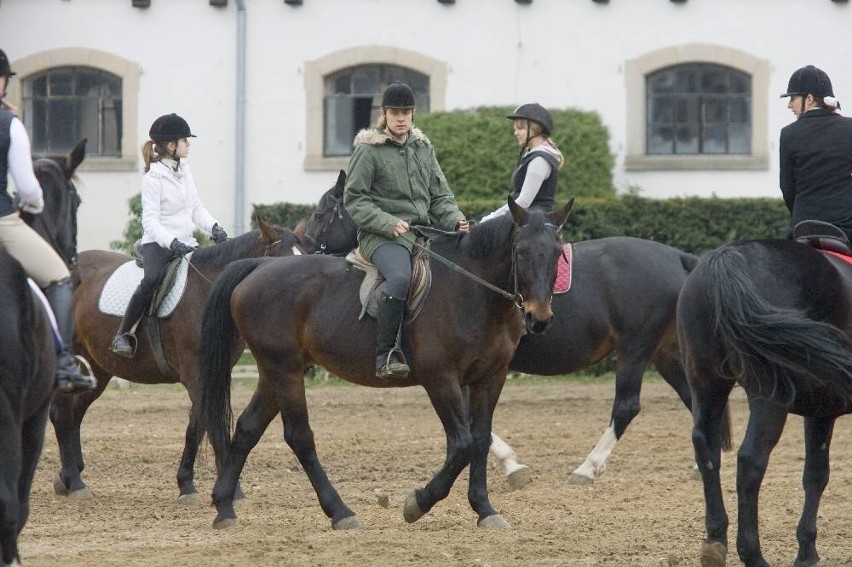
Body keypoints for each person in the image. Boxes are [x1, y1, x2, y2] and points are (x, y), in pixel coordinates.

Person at [344, 82, 469, 380]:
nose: (401, 118)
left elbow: (440, 196)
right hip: (382, 236)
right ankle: (386, 354)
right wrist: (388, 222)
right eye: (395, 112)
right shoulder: (368, 151)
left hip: (421, 233)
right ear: (384, 114)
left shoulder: (423, 148)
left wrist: (456, 220)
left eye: (406, 112)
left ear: (413, 115)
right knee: (399, 278)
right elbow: (354, 199)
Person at [0, 48, 96, 393]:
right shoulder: (10, 125)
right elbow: (27, 187)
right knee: (58, 278)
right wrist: (33, 201)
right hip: (3, 222)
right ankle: (64, 364)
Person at [109, 113, 228, 358]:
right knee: (151, 280)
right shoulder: (153, 179)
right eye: (185, 140)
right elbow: (150, 222)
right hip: (159, 245)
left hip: (186, 243)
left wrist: (214, 226)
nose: (189, 144)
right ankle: (123, 334)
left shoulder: (185, 171)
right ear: (171, 145)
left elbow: (195, 208)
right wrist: (171, 241)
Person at [779, 65, 852, 242]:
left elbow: (788, 189)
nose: (789, 105)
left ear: (809, 99)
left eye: (793, 98)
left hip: (804, 228)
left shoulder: (788, 133)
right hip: (846, 229)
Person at [481, 103, 564, 223]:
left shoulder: (539, 160)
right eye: (515, 128)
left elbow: (523, 202)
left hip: (536, 225)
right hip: (528, 221)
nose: (515, 133)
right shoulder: (530, 155)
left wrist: (491, 218)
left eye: (520, 128)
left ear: (535, 129)